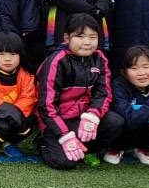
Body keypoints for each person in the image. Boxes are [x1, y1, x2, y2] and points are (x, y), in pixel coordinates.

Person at [34, 14, 123, 170]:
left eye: (92, 37)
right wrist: (64, 135)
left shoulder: (100, 58)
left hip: (82, 118)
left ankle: (89, 150)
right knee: (64, 163)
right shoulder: (57, 60)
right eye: (80, 37)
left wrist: (93, 115)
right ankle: (43, 143)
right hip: (57, 121)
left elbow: (104, 93)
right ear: (67, 38)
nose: (87, 42)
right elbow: (46, 106)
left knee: (115, 122)